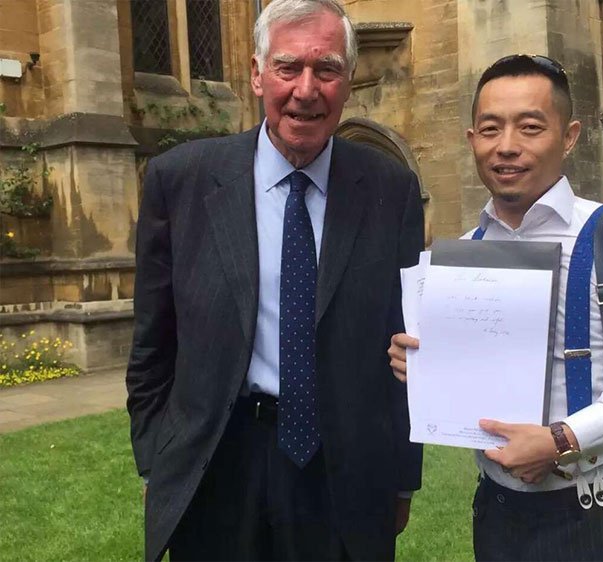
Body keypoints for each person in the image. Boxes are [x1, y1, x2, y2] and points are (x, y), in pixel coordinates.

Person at [126, 1, 424, 560]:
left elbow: (404, 346)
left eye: (327, 69)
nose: (306, 90)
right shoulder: (180, 181)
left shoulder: (391, 188)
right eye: (289, 67)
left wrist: (403, 479)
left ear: (348, 80)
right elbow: (152, 343)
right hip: (217, 464)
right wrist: (156, 462)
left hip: (344, 472)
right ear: (258, 74)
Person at [388, 54, 603, 561]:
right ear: (472, 140)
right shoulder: (463, 252)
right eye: (491, 129)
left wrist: (561, 439)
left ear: (569, 137)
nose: (507, 145)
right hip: (498, 514)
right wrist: (421, 364)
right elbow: (470, 374)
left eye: (530, 127)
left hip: (602, 513)